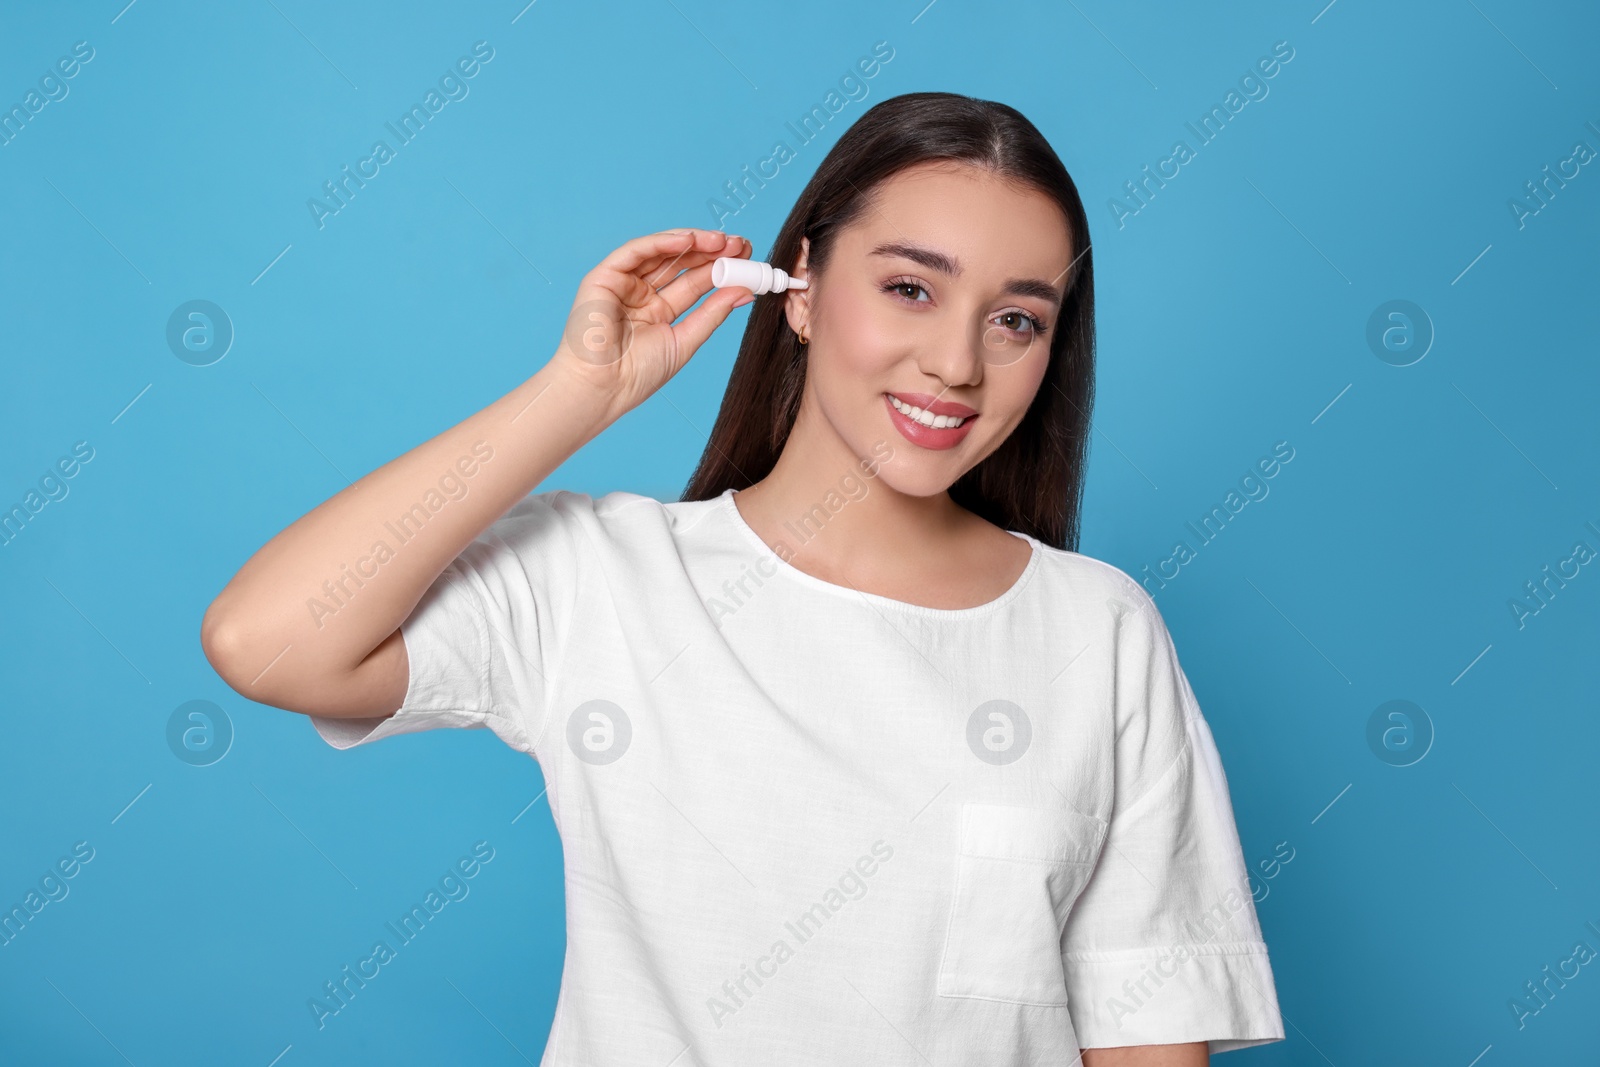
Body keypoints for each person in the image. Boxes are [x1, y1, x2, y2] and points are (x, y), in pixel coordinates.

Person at [202, 91, 1286, 1065]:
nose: (958, 362)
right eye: (909, 287)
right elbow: (267, 641)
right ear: (801, 289)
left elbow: (1144, 1035)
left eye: (1016, 319)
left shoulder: (1096, 631)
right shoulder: (607, 577)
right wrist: (577, 394)